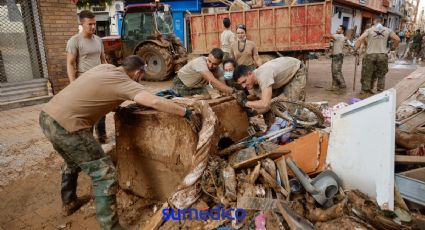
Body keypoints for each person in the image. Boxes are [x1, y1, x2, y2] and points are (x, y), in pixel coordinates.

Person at [40, 55, 201, 230]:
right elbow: (154, 101)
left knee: (72, 160)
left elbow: (97, 90)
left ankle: (69, 202)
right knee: (104, 173)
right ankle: (111, 227)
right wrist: (185, 113)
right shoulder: (126, 82)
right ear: (138, 72)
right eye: (141, 76)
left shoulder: (106, 68)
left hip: (48, 116)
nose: (141, 79)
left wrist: (115, 106)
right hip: (68, 127)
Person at [66, 10, 108, 143]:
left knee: (102, 109)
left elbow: (103, 59)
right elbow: (70, 63)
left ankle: (101, 135)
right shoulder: (75, 41)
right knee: (88, 112)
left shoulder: (98, 40)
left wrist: (109, 73)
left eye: (94, 24)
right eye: (90, 24)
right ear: (82, 24)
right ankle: (88, 139)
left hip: (100, 80)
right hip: (84, 81)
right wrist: (73, 84)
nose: (93, 27)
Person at [232, 57, 306, 127]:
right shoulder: (253, 83)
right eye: (241, 84)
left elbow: (265, 103)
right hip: (279, 77)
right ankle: (272, 127)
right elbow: (264, 103)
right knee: (265, 102)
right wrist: (252, 111)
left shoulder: (264, 76)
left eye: (244, 81)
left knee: (293, 107)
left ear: (250, 74)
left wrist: (245, 103)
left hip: (296, 70)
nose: (244, 86)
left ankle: (299, 127)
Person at [354, 16, 400, 98]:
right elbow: (397, 39)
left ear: (374, 21)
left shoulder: (369, 30)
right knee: (381, 75)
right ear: (382, 22)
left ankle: (365, 91)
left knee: (367, 74)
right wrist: (393, 47)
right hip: (382, 55)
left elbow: (360, 39)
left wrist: (355, 49)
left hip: (370, 55)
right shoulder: (388, 30)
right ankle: (380, 92)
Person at [326, 25, 352, 93]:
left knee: (336, 71)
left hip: (337, 56)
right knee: (335, 71)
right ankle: (334, 86)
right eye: (337, 29)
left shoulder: (339, 36)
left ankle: (342, 84)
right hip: (337, 56)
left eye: (339, 29)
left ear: (342, 31)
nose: (337, 30)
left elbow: (329, 36)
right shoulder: (340, 36)